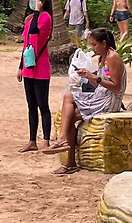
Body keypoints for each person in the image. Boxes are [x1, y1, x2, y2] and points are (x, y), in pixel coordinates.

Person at [54, 27, 126, 174]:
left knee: (70, 116)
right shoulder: (102, 58)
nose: (92, 48)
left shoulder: (113, 57)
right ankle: (63, 140)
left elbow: (116, 87)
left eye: (94, 44)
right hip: (100, 95)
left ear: (104, 43)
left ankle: (69, 160)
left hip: (109, 100)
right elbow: (98, 83)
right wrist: (86, 76)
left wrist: (94, 78)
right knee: (68, 96)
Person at [18, 0, 54, 152]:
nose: (32, 2)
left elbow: (35, 32)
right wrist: (20, 66)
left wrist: (39, 12)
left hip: (41, 67)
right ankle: (32, 141)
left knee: (42, 105)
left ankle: (46, 141)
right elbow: (26, 44)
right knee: (31, 105)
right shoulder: (30, 19)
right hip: (28, 66)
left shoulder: (45, 17)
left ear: (42, 1)